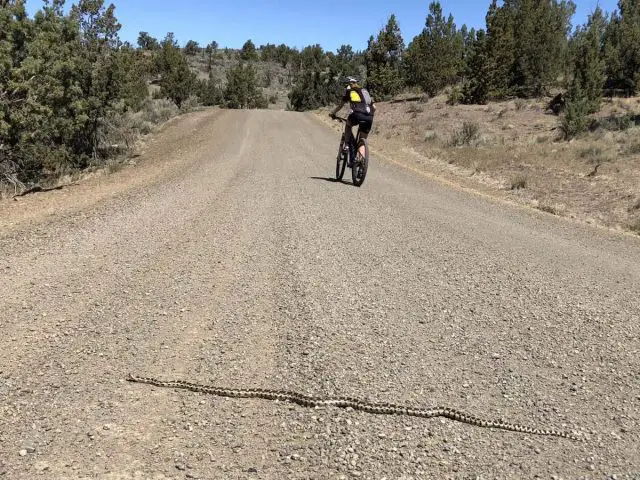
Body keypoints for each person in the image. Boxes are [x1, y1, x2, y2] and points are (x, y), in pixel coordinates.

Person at [329, 77, 376, 163]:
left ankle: (346, 145)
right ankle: (361, 162)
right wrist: (369, 116)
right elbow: (374, 107)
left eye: (347, 85)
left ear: (350, 84)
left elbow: (340, 106)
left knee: (348, 124)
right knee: (362, 140)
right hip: (369, 117)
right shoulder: (365, 92)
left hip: (357, 114)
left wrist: (332, 113)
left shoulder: (349, 91)